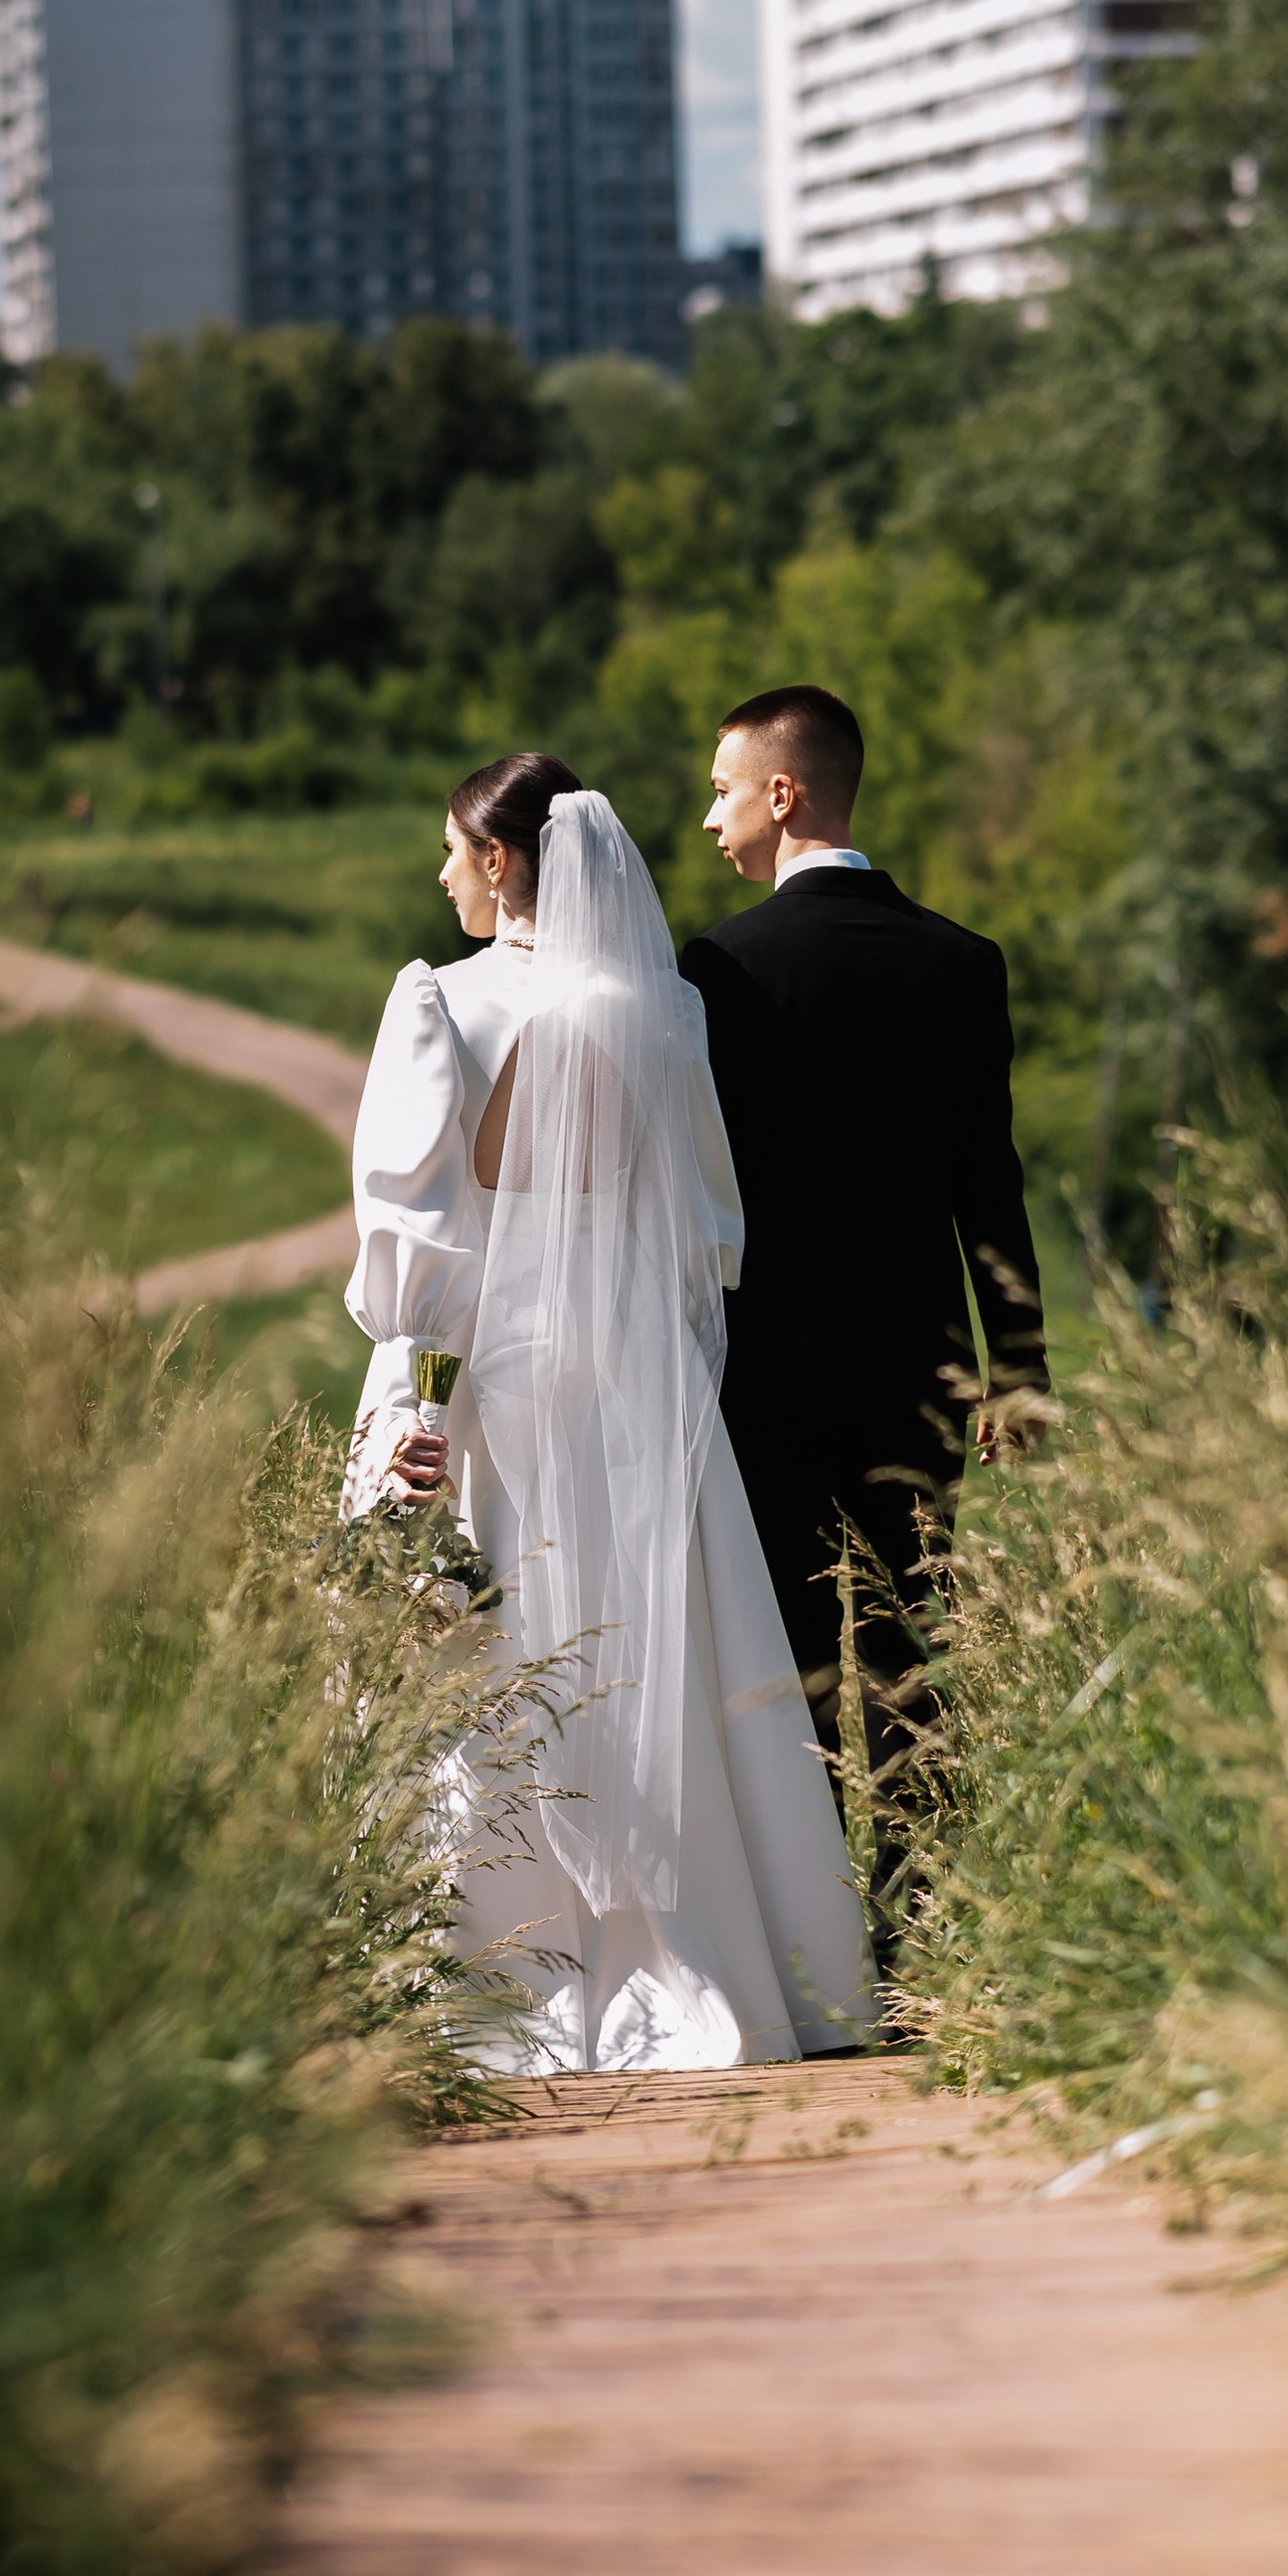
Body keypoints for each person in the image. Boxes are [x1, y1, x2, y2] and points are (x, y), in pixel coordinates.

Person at [342, 756, 874, 2074]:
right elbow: (710, 1237)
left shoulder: (438, 1005)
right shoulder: (668, 1011)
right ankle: (704, 1970)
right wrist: (668, 1370)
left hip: (482, 1377)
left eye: (455, 852)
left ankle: (476, 1974)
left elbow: (409, 1243)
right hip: (635, 1385)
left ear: (506, 859)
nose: (445, 875)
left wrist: (413, 1405)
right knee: (657, 1658)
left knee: (480, 1647)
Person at [679, 682, 1045, 1948]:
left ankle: (803, 1943)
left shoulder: (719, 968)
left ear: (785, 792)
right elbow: (987, 1179)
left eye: (724, 788)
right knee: (909, 1650)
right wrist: (1020, 1365)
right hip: (918, 1372)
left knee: (777, 1665)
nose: (712, 819)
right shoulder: (961, 962)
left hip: (763, 1380)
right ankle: (922, 1931)